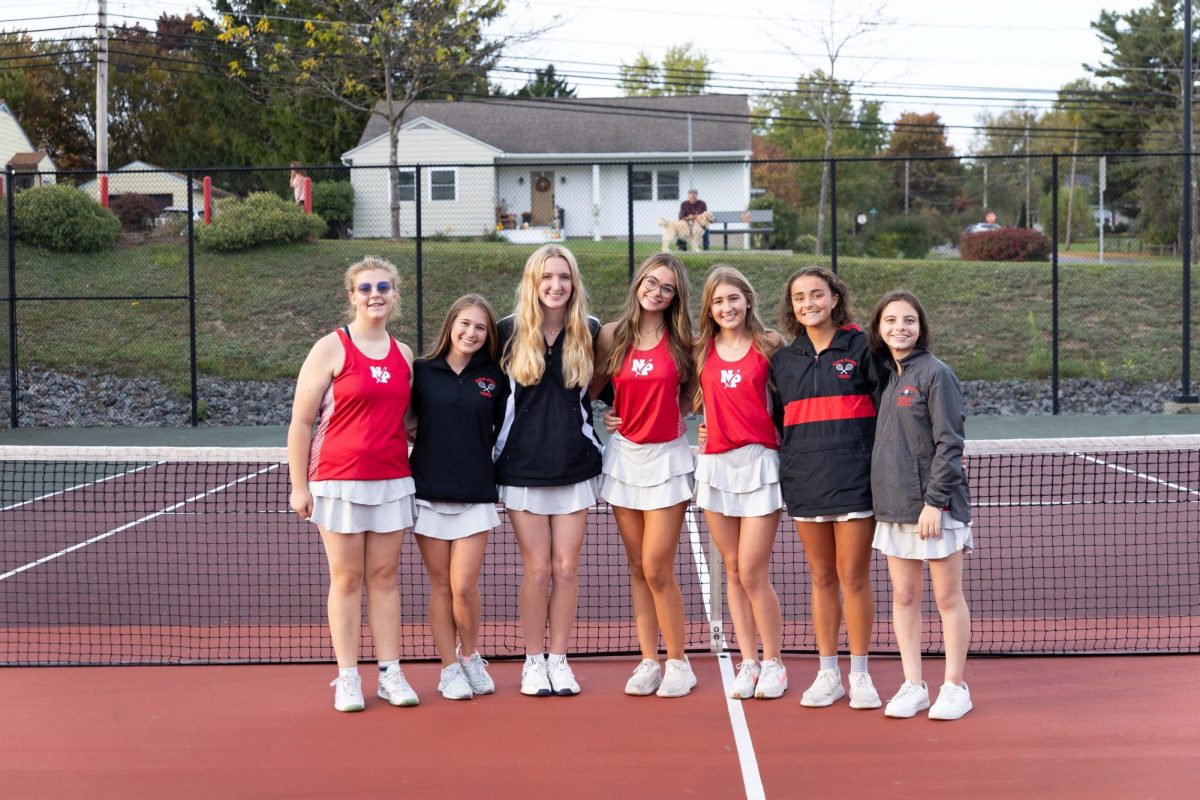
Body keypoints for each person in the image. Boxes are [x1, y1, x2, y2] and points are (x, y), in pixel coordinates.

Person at [287, 256, 418, 712]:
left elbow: (407, 419)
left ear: (395, 294)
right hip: (337, 482)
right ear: (352, 296)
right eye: (365, 288)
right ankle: (347, 677)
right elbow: (302, 422)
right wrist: (298, 486)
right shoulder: (331, 347)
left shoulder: (403, 355)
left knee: (384, 578)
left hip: (392, 480)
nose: (375, 294)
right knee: (346, 578)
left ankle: (390, 673)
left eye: (384, 286)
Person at [495, 243, 603, 697]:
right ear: (532, 283)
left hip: (576, 465)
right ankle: (533, 661)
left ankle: (559, 659)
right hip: (521, 468)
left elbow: (607, 389)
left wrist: (614, 415)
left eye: (564, 277)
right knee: (537, 569)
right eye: (547, 278)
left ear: (573, 283)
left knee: (567, 567)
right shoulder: (504, 332)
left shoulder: (593, 331)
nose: (556, 286)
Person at [772, 267, 882, 710]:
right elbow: (767, 417)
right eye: (800, 297)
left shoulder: (864, 348)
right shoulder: (784, 360)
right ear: (792, 307)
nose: (809, 303)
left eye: (817, 294)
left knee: (853, 577)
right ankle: (827, 673)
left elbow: (889, 407)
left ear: (835, 298)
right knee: (821, 577)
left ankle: (860, 674)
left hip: (856, 480)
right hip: (805, 481)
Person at [593, 253, 697, 698]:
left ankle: (679, 662)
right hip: (623, 459)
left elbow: (695, 394)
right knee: (637, 567)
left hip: (668, 461)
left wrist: (700, 418)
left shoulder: (684, 340)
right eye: (651, 282)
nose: (656, 291)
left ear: (675, 296)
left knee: (657, 566)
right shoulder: (612, 335)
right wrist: (606, 414)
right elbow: (591, 388)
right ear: (639, 283)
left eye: (666, 287)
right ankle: (649, 660)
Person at [867, 290, 974, 721]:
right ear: (879, 328)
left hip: (936, 510)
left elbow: (951, 443)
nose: (900, 328)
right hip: (893, 507)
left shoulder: (937, 374)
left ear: (921, 326)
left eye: (908, 320)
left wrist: (935, 502)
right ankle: (913, 685)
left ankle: (955, 686)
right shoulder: (886, 375)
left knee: (947, 598)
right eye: (891, 320)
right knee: (905, 596)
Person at [693, 265, 788, 699]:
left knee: (752, 570)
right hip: (715, 466)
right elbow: (662, 391)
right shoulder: (700, 350)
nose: (726, 307)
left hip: (760, 463)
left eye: (733, 298)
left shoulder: (770, 345)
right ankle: (748, 661)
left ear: (748, 299)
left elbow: (789, 402)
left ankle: (774, 662)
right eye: (717, 301)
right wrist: (615, 411)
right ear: (709, 309)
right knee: (731, 569)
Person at [409, 294, 507, 701]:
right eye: (465, 324)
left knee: (464, 586)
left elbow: (506, 429)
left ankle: (470, 657)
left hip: (476, 492)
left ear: (488, 336)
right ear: (450, 324)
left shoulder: (495, 378)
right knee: (441, 588)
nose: (471, 333)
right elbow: (402, 420)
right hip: (428, 492)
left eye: (480, 327)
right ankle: (448, 667)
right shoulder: (421, 371)